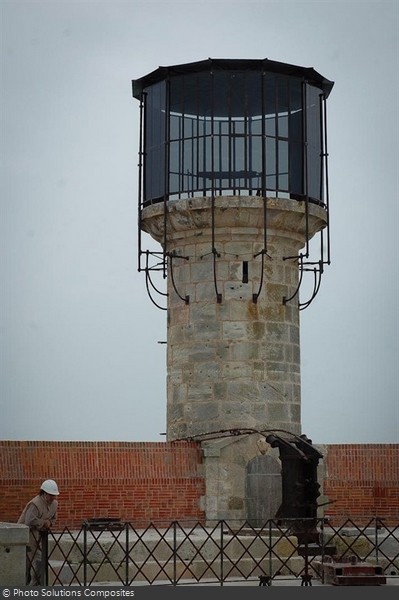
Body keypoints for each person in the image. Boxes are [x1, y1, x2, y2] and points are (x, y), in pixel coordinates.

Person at [18, 479, 60, 585]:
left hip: (40, 535)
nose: (53, 497)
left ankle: (35, 584)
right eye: (50, 495)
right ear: (44, 493)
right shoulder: (35, 503)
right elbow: (29, 520)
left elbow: (53, 519)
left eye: (54, 495)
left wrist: (49, 523)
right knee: (33, 560)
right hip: (27, 535)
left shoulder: (54, 504)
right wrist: (43, 523)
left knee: (38, 560)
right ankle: (31, 585)